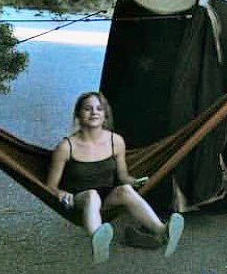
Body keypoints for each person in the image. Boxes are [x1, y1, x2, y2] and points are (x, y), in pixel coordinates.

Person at [45, 91, 184, 264]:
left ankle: (162, 230)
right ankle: (98, 238)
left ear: (105, 115)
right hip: (80, 198)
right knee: (92, 196)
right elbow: (51, 185)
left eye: (99, 109)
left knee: (125, 190)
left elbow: (123, 176)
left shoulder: (116, 141)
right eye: (88, 109)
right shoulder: (66, 147)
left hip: (108, 196)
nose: (94, 112)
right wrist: (60, 193)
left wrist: (135, 182)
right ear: (79, 115)